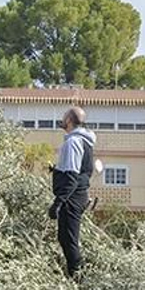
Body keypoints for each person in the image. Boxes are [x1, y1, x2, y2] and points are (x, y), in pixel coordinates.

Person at [47, 106, 96, 278]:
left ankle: (79, 279)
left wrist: (57, 203)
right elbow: (80, 170)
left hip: (72, 198)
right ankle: (75, 275)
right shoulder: (84, 141)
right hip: (78, 195)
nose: (62, 120)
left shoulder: (73, 142)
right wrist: (57, 170)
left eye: (64, 116)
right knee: (65, 238)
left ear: (69, 120)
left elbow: (72, 176)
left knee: (69, 240)